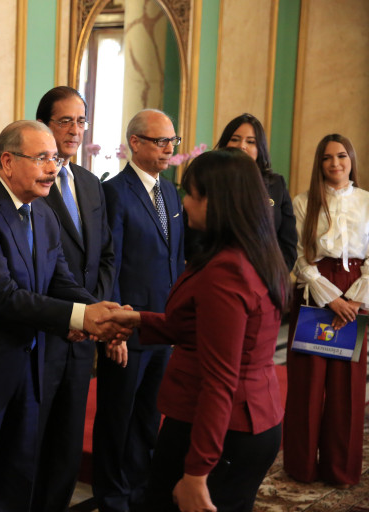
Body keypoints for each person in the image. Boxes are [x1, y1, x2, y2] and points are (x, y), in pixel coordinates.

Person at [0, 120, 129, 512]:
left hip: (30, 375)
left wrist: (99, 312)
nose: (53, 168)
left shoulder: (43, 214)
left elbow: (60, 281)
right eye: (41, 158)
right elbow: (3, 297)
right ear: (8, 162)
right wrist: (78, 318)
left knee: (14, 487)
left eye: (55, 159)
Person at [108, 148, 289, 512]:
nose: (184, 203)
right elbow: (199, 327)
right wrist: (138, 320)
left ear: (217, 202)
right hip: (246, 419)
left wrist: (197, 471)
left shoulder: (227, 271)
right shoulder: (252, 252)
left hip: (220, 429)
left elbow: (219, 379)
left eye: (191, 194)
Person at [94, 108, 185, 512]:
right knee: (118, 418)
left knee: (149, 415)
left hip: (161, 326)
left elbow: (176, 258)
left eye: (172, 141)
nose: (169, 149)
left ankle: (140, 492)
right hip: (127, 328)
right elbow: (110, 264)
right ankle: (113, 498)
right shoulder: (115, 192)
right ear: (135, 142)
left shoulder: (171, 192)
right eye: (160, 141)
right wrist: (114, 328)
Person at [31, 86, 116, 512]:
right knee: (33, 439)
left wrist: (93, 314)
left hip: (83, 338)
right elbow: (34, 268)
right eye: (64, 120)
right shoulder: (31, 182)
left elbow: (106, 255)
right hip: (46, 334)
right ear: (44, 125)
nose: (75, 130)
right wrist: (75, 315)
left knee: (67, 441)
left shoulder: (90, 183)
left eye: (81, 120)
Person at [284, 134, 369, 487]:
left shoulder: (366, 201)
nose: (335, 163)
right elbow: (298, 254)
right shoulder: (303, 202)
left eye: (342, 156)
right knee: (308, 383)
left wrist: (356, 299)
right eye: (327, 157)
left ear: (351, 160)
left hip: (356, 288)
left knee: (347, 387)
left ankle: (341, 469)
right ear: (319, 163)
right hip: (315, 289)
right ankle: (301, 466)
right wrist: (330, 297)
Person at [214, 113, 296, 269]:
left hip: (265, 275)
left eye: (250, 142)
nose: (242, 146)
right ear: (225, 144)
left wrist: (274, 276)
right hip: (219, 273)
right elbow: (194, 237)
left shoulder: (276, 185)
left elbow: (288, 242)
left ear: (260, 149)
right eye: (235, 139)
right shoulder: (210, 181)